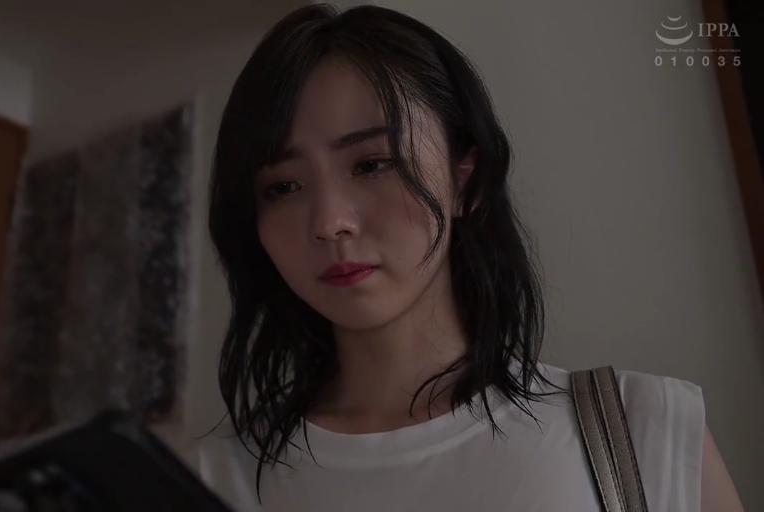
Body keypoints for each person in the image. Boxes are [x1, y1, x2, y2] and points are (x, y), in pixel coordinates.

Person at [194, 4, 745, 512]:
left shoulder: (643, 431)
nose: (329, 221)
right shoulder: (216, 481)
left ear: (467, 179)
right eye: (283, 187)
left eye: (371, 165)